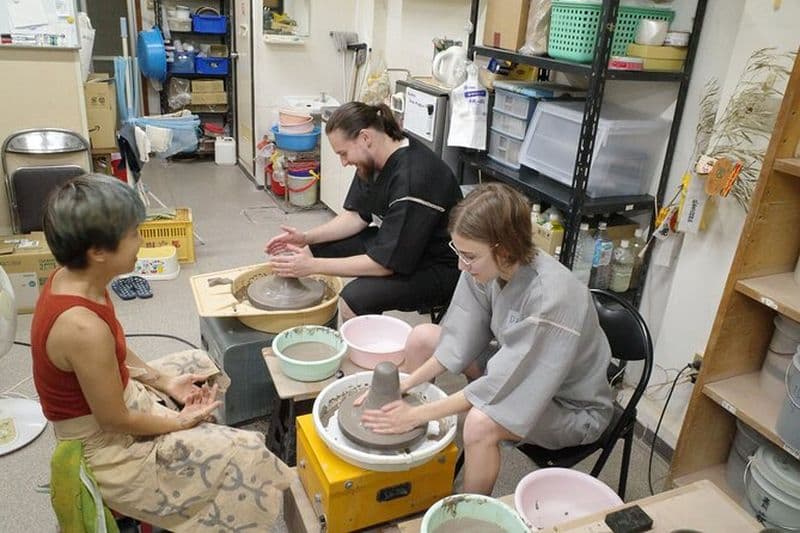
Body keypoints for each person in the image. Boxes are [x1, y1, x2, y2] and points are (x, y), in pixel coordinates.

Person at [32, 175, 290, 532]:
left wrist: (166, 381)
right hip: (105, 447)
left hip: (116, 401)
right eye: (133, 233)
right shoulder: (80, 327)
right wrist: (179, 422)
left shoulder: (79, 278)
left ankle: (196, 459)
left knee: (200, 368)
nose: (140, 241)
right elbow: (115, 420)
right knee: (247, 454)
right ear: (98, 252)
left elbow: (116, 349)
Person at [358, 183, 613, 495]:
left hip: (569, 407)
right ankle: (418, 453)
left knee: (479, 422)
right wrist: (404, 384)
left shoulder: (552, 299)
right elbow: (459, 337)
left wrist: (416, 414)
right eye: (459, 253)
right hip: (515, 368)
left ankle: (468, 512)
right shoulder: (488, 263)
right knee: (423, 337)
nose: (461, 265)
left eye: (468, 257)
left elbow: (504, 385)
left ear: (504, 248)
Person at [265, 101, 462, 321]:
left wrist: (313, 266)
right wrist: (305, 238)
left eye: (343, 153)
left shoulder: (413, 180)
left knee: (354, 299)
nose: (343, 162)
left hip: (438, 266)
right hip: (404, 245)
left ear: (365, 138)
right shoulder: (373, 159)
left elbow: (384, 265)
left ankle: (366, 351)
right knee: (314, 248)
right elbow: (357, 216)